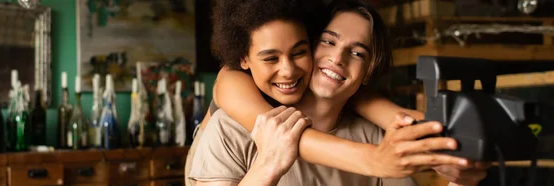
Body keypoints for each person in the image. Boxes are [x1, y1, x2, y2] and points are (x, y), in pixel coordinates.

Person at [187, 0, 489, 185]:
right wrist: (376, 160)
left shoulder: (369, 124)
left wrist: (457, 167)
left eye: (358, 53)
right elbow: (234, 89)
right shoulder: (233, 105)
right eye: (328, 42)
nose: (337, 59)